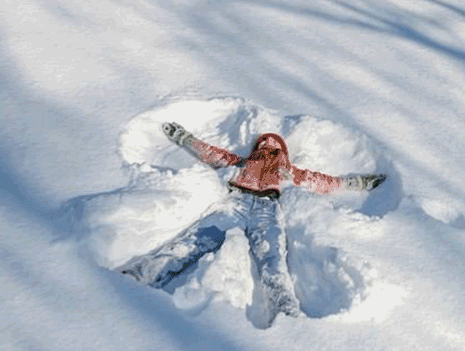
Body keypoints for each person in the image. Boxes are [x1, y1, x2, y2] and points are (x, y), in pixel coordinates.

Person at [118, 122, 386, 326]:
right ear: (257, 148)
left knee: (272, 260)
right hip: (237, 202)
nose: (269, 146)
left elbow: (324, 181)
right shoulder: (243, 162)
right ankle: (140, 274)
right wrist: (183, 137)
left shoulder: (288, 171)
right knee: (192, 242)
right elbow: (210, 153)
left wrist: (356, 183)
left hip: (266, 209)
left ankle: (285, 311)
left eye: (274, 144)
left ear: (283, 151)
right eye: (264, 143)